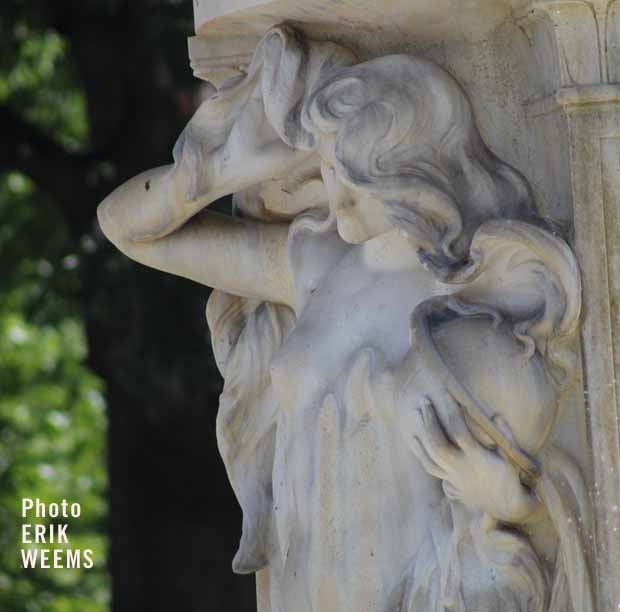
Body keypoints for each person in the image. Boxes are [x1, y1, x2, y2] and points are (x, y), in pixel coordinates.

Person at [98, 25, 591, 612]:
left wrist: (512, 504)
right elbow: (126, 229)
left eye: (356, 177)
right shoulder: (314, 264)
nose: (338, 201)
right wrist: (215, 170)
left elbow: (573, 474)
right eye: (329, 171)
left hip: (415, 594)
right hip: (301, 589)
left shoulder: (474, 298)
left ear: (411, 171)